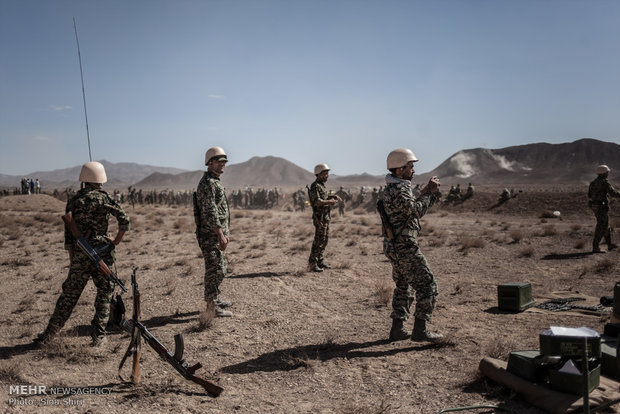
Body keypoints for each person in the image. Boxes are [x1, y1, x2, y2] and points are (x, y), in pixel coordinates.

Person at [34, 161, 130, 347]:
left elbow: (69, 235)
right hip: (101, 254)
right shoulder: (104, 198)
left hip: (80, 254)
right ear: (100, 179)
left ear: (83, 180)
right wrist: (116, 240)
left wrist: (74, 259)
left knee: (69, 296)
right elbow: (124, 219)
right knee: (104, 293)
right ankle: (98, 336)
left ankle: (49, 334)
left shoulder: (74, 200)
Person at [379, 148, 443, 342]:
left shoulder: (395, 187)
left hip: (395, 245)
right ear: (399, 170)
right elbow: (414, 210)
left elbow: (408, 205)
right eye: (410, 167)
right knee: (427, 284)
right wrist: (430, 194)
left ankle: (397, 329)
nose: (413, 170)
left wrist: (424, 191)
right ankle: (420, 330)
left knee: (404, 285)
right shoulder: (399, 189)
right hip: (404, 246)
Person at [195, 146, 232, 317]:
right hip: (210, 235)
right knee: (214, 270)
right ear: (209, 163)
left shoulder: (215, 181)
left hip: (216, 234)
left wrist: (224, 232)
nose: (222, 164)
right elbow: (210, 212)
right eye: (218, 162)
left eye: (224, 161)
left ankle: (215, 298)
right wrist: (220, 234)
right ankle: (211, 306)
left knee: (221, 268)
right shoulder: (208, 183)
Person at [308, 163, 341, 273]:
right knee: (318, 241)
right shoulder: (315, 186)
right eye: (325, 173)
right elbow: (317, 201)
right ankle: (312, 264)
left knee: (324, 240)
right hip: (319, 217)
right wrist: (330, 202)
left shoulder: (322, 186)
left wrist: (332, 197)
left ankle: (320, 261)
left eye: (327, 173)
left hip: (325, 217)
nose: (327, 176)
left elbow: (324, 198)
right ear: (319, 174)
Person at [588, 165, 620, 253]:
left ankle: (609, 245)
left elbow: (589, 195)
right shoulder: (604, 182)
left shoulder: (593, 183)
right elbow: (613, 193)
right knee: (601, 226)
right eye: (607, 172)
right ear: (604, 173)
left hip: (595, 207)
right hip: (602, 207)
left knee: (605, 225)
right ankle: (595, 247)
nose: (608, 174)